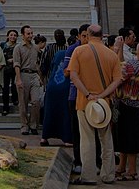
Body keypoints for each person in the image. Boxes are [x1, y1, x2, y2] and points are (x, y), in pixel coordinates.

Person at [68, 22, 124, 186]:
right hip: (104, 105)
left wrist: (87, 94)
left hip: (84, 103)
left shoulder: (79, 51)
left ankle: (89, 176)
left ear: (88, 34)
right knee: (107, 141)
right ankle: (108, 174)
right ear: (102, 36)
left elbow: (73, 75)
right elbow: (117, 80)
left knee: (87, 140)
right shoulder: (111, 55)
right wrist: (102, 95)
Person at [113, 37, 139, 180]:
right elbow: (123, 64)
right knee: (127, 136)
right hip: (136, 103)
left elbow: (118, 72)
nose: (137, 45)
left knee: (128, 137)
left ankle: (131, 169)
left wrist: (116, 49)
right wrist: (121, 48)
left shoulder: (135, 65)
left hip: (126, 103)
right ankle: (122, 166)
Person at [64, 24, 91, 175]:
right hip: (75, 95)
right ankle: (79, 161)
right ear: (79, 36)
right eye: (84, 36)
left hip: (93, 95)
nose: (86, 39)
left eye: (89, 36)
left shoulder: (94, 50)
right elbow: (66, 72)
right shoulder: (73, 50)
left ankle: (94, 162)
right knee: (77, 131)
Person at [13, 24, 43, 136]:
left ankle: (33, 124)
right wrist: (18, 79)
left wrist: (40, 77)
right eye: (28, 33)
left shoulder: (36, 48)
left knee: (36, 101)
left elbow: (38, 63)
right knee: (23, 103)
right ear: (23, 35)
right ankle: (24, 125)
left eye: (31, 33)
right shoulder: (18, 48)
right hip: (23, 74)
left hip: (34, 75)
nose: (30, 35)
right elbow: (16, 64)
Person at [41, 44, 73, 147]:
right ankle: (67, 139)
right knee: (65, 113)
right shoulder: (74, 54)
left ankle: (44, 137)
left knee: (49, 112)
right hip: (66, 87)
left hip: (52, 86)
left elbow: (51, 66)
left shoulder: (58, 54)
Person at [1, 29, 19, 115]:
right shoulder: (3, 45)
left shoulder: (18, 47)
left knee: (15, 86)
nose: (13, 37)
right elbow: (0, 56)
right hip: (4, 69)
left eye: (15, 35)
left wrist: (14, 60)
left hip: (15, 69)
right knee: (5, 89)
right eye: (11, 35)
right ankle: (5, 108)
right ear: (8, 36)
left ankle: (15, 99)